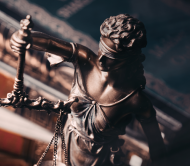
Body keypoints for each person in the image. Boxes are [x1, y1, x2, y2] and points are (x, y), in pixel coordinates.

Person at [10, 14, 167, 165]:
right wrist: (24, 38)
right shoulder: (85, 60)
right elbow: (49, 43)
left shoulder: (134, 100)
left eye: (110, 57)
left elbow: (157, 148)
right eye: (101, 50)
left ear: (129, 59)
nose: (101, 59)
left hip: (97, 161)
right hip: (65, 147)